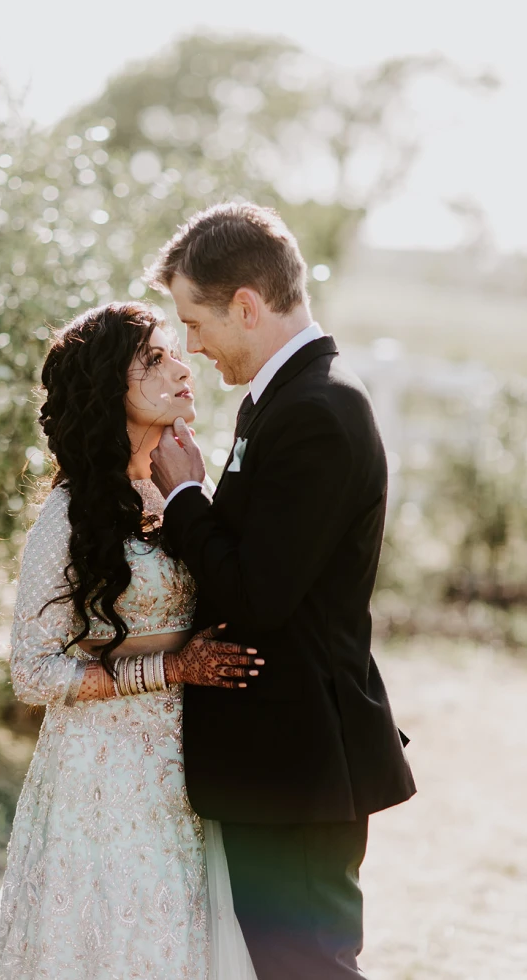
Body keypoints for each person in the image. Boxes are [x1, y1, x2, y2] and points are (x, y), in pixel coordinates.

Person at [147, 202, 417, 980]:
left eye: (195, 322)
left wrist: (186, 499)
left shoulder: (320, 409)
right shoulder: (285, 397)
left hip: (302, 759)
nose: (191, 345)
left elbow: (260, 596)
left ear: (246, 306)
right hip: (276, 758)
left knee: (308, 968)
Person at [0, 302, 261, 980]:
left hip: (185, 774)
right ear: (106, 389)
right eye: (152, 358)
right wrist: (171, 667)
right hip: (100, 776)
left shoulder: (184, 489)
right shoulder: (67, 517)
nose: (181, 364)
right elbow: (32, 675)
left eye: (172, 351)